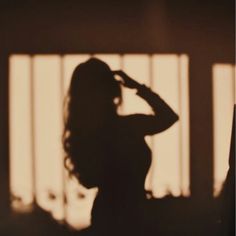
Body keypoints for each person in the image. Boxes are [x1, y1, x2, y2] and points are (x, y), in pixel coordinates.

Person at [63, 58, 179, 236]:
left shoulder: (90, 134)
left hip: (121, 216)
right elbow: (168, 117)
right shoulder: (129, 126)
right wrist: (137, 87)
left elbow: (169, 117)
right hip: (130, 216)